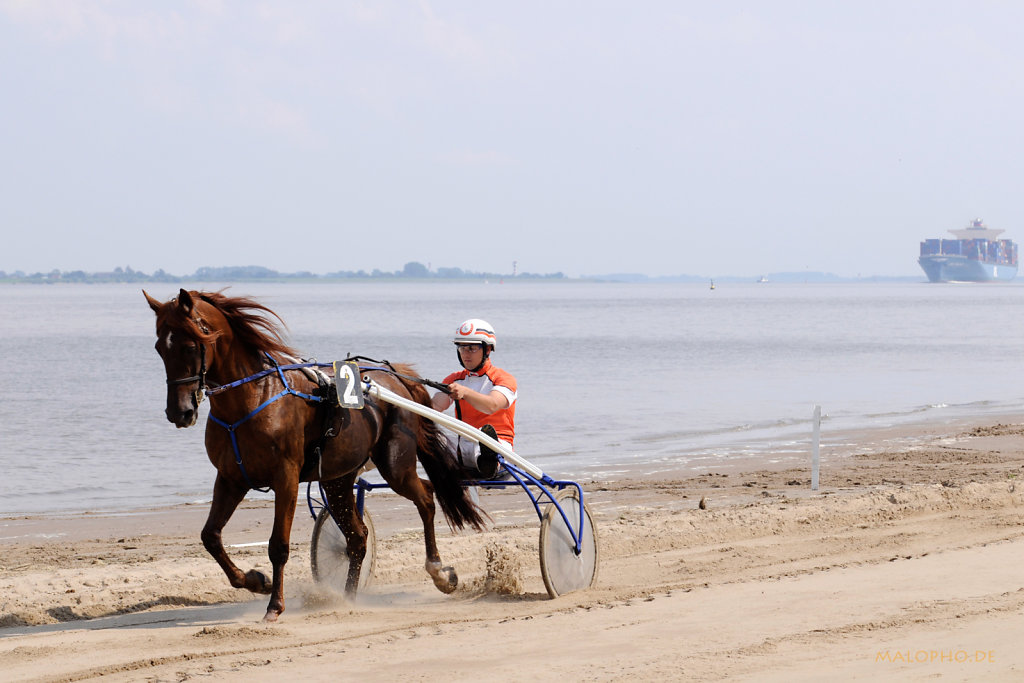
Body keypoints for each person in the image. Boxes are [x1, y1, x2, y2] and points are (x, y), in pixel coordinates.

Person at [431, 318, 517, 479]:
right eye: (462, 348)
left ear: (487, 349)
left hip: (499, 445)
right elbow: (433, 407)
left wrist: (465, 393)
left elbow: (491, 405)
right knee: (428, 438)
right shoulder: (454, 379)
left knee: (483, 443)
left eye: (471, 348)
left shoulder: (504, 379)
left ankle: (488, 462)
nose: (465, 354)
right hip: (463, 445)